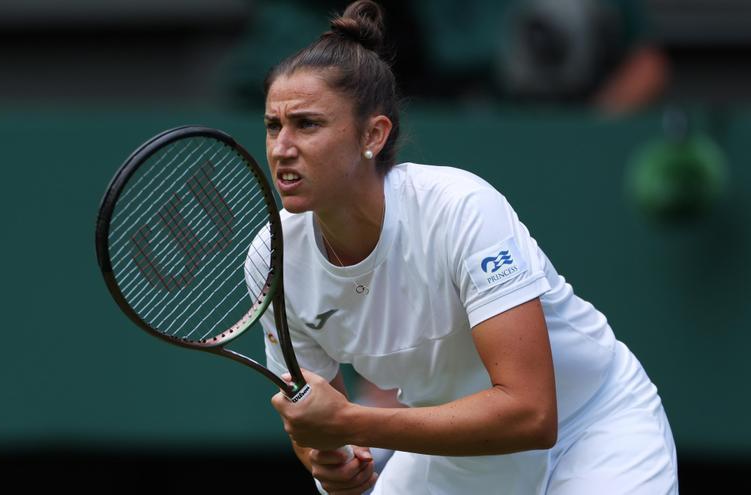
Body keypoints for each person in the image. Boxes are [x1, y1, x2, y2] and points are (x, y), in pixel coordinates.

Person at [253, 1, 678, 493]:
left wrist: (350, 423)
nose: (282, 146)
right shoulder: (273, 257)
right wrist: (326, 458)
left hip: (591, 428)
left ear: (373, 134)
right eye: (272, 125)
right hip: (461, 445)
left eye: (306, 124)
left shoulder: (461, 209)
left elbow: (532, 413)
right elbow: (315, 417)